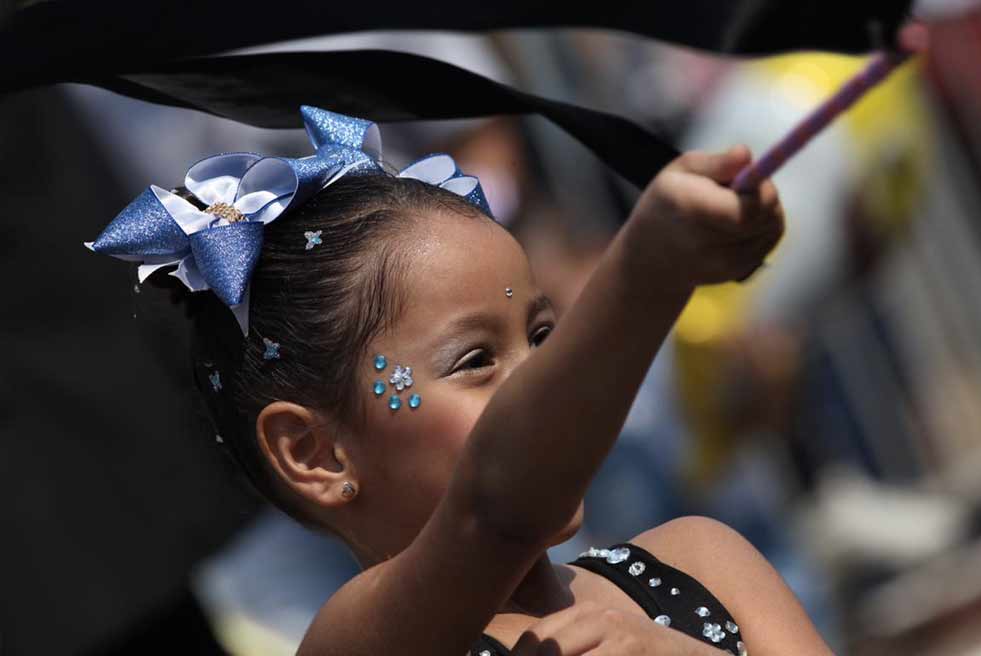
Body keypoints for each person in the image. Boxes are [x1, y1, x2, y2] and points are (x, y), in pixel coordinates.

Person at [87, 106, 830, 655]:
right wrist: (648, 270)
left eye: (543, 335)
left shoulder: (702, 559)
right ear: (315, 453)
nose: (541, 375)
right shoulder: (357, 646)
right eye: (475, 360)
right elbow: (496, 505)